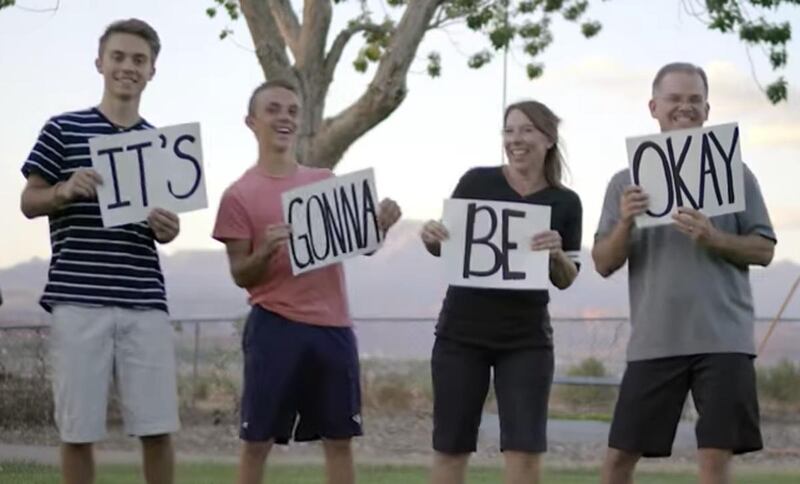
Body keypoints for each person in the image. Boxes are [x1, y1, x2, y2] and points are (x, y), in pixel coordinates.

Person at [593, 62, 776, 484]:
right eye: (675, 99)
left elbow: (764, 249)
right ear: (654, 106)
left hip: (723, 339)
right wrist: (625, 222)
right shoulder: (625, 182)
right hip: (655, 341)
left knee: (714, 461)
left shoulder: (735, 173)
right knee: (619, 458)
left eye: (694, 99)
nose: (685, 107)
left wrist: (715, 237)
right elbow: (603, 262)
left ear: (708, 109)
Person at [212, 79, 401, 484]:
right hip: (274, 326)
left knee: (339, 439)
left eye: (292, 111)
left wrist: (380, 226)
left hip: (333, 329)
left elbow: (362, 245)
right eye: (274, 109)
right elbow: (239, 273)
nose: (284, 117)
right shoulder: (238, 195)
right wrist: (264, 252)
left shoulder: (324, 180)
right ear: (251, 122)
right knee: (258, 440)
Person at [19, 19, 180, 484]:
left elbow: (164, 224)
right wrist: (64, 191)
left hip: (144, 300)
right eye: (119, 57)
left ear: (152, 71)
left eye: (138, 60)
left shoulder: (160, 146)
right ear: (100, 63)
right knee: (77, 431)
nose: (127, 67)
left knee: (158, 428)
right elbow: (29, 201)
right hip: (77, 299)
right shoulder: (63, 129)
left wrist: (167, 229)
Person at [420, 100, 582, 484]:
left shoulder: (565, 202)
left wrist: (556, 253)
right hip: (461, 335)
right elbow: (447, 247)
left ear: (548, 138)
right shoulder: (476, 181)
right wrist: (431, 237)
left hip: (525, 339)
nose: (516, 139)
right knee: (451, 448)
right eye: (509, 131)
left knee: (524, 452)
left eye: (526, 130)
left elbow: (567, 277)